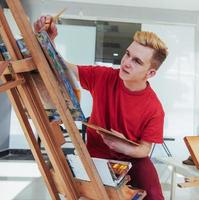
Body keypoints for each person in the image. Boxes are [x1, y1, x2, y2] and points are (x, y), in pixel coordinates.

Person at [34, 16, 168, 200]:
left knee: (154, 196)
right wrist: (47, 41)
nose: (126, 62)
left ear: (150, 73)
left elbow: (144, 150)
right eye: (127, 54)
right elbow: (62, 68)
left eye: (137, 61)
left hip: (133, 160)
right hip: (97, 158)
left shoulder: (154, 108)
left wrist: (123, 146)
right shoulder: (103, 77)